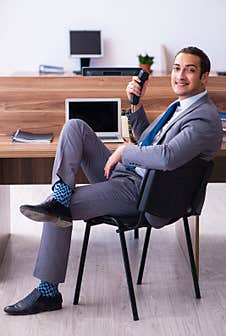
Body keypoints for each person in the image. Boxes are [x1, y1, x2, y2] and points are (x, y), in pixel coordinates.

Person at [4, 46, 222, 315]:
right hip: (127, 175)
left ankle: (48, 292)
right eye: (177, 68)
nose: (180, 75)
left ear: (204, 77)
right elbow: (147, 141)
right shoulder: (180, 106)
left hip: (142, 192)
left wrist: (123, 151)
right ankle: (60, 196)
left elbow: (166, 157)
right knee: (75, 127)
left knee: (54, 214)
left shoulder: (204, 118)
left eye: (189, 70)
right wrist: (136, 105)